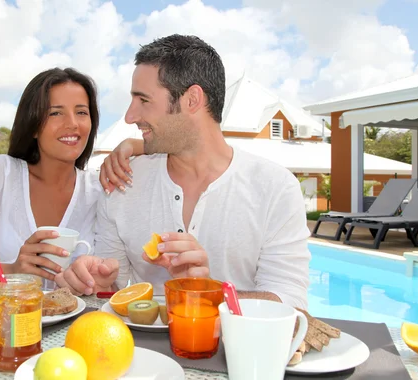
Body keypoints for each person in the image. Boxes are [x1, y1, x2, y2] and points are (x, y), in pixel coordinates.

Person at [55, 35, 311, 309]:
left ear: (192, 100)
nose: (130, 116)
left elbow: (291, 304)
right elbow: (113, 293)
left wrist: (208, 292)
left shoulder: (275, 188)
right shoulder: (121, 184)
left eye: (143, 100)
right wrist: (95, 285)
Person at [0, 67, 142, 289]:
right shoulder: (1, 173)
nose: (72, 123)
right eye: (55, 113)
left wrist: (131, 144)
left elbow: (109, 287)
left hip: (75, 326)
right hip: (6, 324)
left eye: (81, 112)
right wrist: (12, 271)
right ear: (33, 125)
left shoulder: (98, 190)